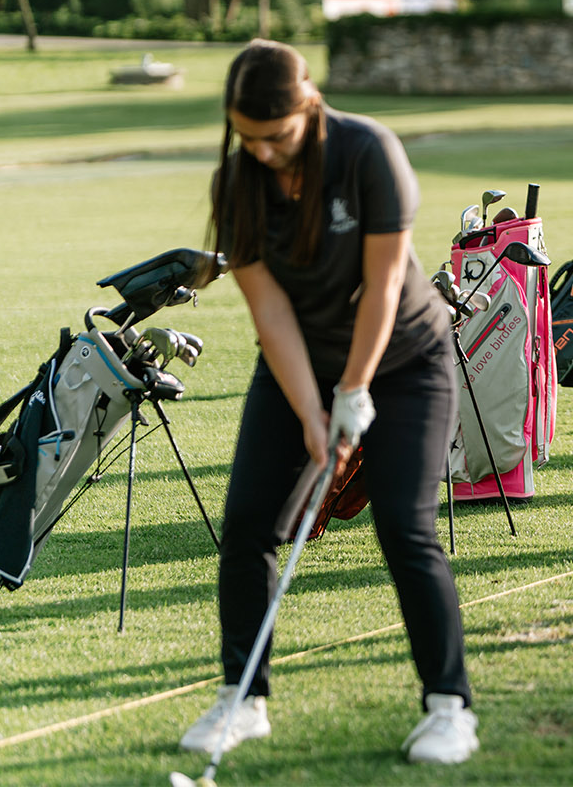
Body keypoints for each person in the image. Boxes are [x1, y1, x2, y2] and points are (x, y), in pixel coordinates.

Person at [182, 40, 477, 765]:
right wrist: (314, 415)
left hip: (405, 358)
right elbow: (270, 312)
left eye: (275, 137)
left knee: (403, 524)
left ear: (309, 105)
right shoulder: (236, 182)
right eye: (246, 138)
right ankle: (242, 700)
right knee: (248, 523)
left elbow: (383, 285)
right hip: (299, 363)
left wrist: (353, 390)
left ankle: (449, 708)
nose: (261, 152)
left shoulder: (367, 152)